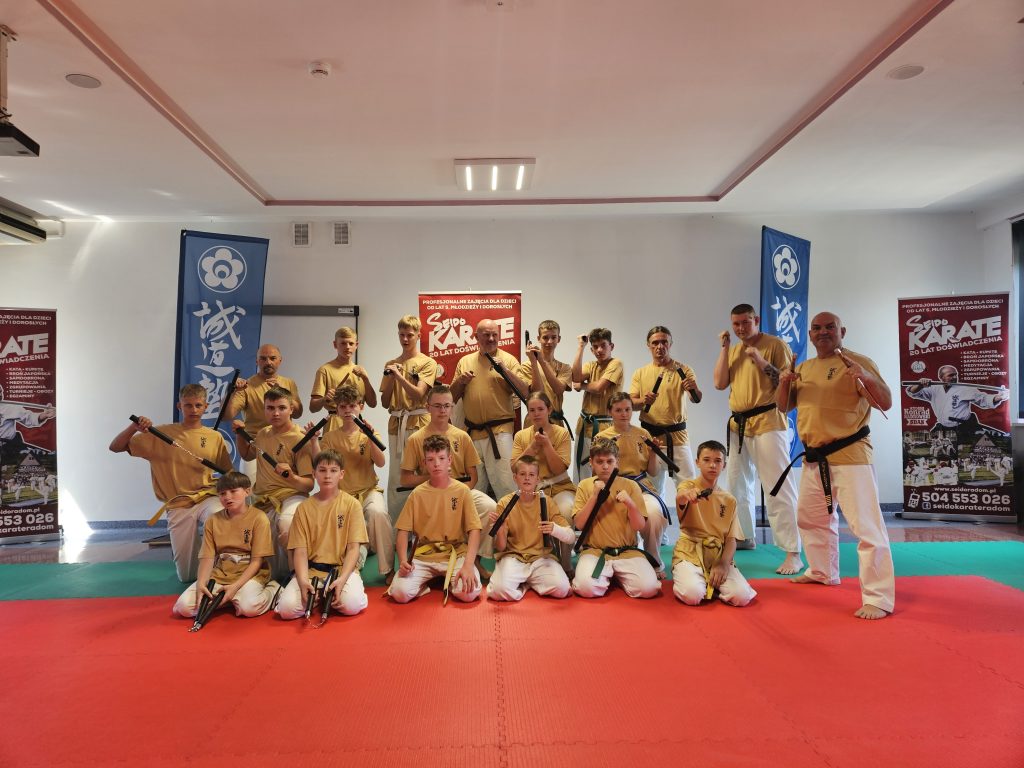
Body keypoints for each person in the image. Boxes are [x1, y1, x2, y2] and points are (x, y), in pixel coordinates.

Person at [776, 311, 895, 620]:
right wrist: (784, 382)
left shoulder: (857, 362)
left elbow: (885, 402)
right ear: (810, 335)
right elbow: (783, 405)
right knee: (810, 519)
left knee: (866, 527)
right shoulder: (804, 367)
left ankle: (879, 598)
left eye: (830, 327)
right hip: (815, 457)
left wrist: (866, 378)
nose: (823, 332)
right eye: (817, 328)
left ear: (842, 331)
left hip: (850, 454)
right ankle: (822, 571)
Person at [711, 305, 803, 575]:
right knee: (737, 484)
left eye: (746, 322)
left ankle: (793, 551)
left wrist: (761, 361)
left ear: (757, 320)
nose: (741, 328)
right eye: (736, 324)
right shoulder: (734, 350)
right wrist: (725, 348)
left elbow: (786, 382)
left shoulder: (775, 345)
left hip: (769, 420)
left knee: (777, 486)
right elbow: (719, 383)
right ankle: (744, 536)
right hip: (739, 424)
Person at [109, 383, 231, 582]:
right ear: (179, 406)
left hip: (207, 497)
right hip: (178, 503)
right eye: (188, 405)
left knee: (220, 517)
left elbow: (228, 473)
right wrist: (134, 428)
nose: (193, 410)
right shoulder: (159, 434)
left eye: (198, 405)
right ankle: (198, 566)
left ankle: (221, 569)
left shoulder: (214, 437)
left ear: (206, 407)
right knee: (187, 575)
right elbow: (115, 447)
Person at [400, 384, 497, 566]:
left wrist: (458, 492)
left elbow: (473, 476)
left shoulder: (462, 436)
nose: (442, 410)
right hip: (430, 492)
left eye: (447, 406)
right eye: (437, 406)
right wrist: (435, 477)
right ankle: (429, 559)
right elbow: (405, 479)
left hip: (460, 490)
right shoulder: (415, 439)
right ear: (428, 407)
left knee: (490, 507)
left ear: (452, 407)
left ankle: (474, 560)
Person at [172, 471, 280, 619]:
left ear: (247, 491)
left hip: (250, 574)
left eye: (233, 491)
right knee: (184, 607)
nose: (227, 497)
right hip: (221, 574)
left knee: (248, 608)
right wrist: (201, 584)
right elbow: (207, 558)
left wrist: (235, 586)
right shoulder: (212, 520)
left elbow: (257, 561)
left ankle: (273, 590)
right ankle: (230, 599)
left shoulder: (259, 518)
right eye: (222, 493)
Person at [234, 387, 316, 579]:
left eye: (281, 408)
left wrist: (291, 477)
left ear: (291, 409)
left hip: (292, 496)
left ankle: (299, 576)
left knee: (287, 523)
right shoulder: (263, 434)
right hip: (264, 500)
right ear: (264, 409)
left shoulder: (299, 438)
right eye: (270, 408)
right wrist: (239, 434)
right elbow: (246, 455)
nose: (276, 413)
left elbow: (309, 485)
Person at [389, 435, 483, 603]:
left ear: (450, 460)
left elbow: (474, 530)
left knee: (469, 593)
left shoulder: (462, 491)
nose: (436, 464)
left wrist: (469, 565)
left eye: (441, 458)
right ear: (424, 463)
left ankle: (450, 581)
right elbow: (403, 531)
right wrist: (403, 561)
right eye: (431, 460)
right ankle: (425, 585)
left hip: (455, 552)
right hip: (424, 555)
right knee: (399, 593)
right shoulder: (417, 494)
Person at [275, 450, 369, 619]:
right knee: (286, 610)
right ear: (314, 474)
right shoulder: (303, 508)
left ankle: (334, 591)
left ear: (341, 474)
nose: (327, 475)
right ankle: (318, 595)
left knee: (351, 605)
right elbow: (300, 551)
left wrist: (342, 579)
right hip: (311, 570)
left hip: (340, 569)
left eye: (333, 470)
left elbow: (353, 548)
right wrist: (303, 582)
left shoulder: (352, 505)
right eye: (322, 470)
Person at [314, 385, 394, 580]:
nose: (348, 410)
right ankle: (341, 563)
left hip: (368, 491)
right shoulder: (331, 437)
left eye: (352, 406)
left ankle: (388, 570)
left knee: (378, 512)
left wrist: (370, 438)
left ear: (361, 406)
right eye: (343, 407)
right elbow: (319, 464)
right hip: (341, 495)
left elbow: (381, 462)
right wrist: (313, 441)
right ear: (337, 410)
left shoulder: (369, 433)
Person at [571, 438, 661, 599]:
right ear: (591, 462)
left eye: (609, 461)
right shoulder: (584, 485)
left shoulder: (631, 486)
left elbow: (639, 526)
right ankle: (609, 575)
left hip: (627, 551)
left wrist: (630, 504)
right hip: (595, 551)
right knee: (586, 588)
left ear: (617, 462)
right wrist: (594, 497)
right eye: (599, 461)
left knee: (648, 589)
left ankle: (615, 575)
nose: (605, 466)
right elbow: (579, 524)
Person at [451, 318, 530, 500]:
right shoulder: (465, 361)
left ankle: (511, 518)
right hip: (472, 434)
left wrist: (504, 370)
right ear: (476, 336)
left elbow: (525, 392)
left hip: (500, 432)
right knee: (475, 489)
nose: (491, 339)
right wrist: (460, 381)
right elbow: (451, 398)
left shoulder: (508, 360)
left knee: (506, 485)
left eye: (495, 335)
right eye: (486, 335)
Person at [671, 441, 756, 607]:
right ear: (697, 462)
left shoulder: (729, 500)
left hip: (718, 554)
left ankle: (710, 581)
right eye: (706, 460)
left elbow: (731, 539)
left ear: (724, 465)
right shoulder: (688, 486)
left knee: (742, 596)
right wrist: (687, 495)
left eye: (718, 461)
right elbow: (680, 496)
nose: (712, 465)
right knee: (692, 594)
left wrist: (723, 564)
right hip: (690, 551)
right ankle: (695, 578)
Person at [596, 392, 668, 576]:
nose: (624, 414)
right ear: (610, 412)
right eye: (618, 410)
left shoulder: (642, 434)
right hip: (614, 486)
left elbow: (653, 472)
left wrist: (654, 453)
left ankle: (654, 560)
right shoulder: (601, 437)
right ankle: (614, 560)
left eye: (627, 409)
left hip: (640, 486)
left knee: (654, 514)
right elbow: (597, 471)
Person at [630, 326, 701, 504]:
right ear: (648, 345)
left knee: (689, 489)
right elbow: (632, 404)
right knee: (651, 491)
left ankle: (690, 523)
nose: (660, 346)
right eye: (655, 343)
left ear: (670, 344)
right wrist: (644, 400)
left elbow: (696, 398)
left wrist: (693, 388)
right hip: (649, 439)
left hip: (677, 437)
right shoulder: (640, 373)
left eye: (664, 342)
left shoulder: (683, 370)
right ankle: (657, 523)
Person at [487, 455, 572, 601]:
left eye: (531, 475)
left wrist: (554, 529)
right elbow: (500, 547)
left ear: (538, 479)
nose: (527, 478)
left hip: (541, 558)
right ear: (515, 478)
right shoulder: (504, 503)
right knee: (498, 591)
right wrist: (501, 531)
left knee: (562, 589)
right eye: (522, 474)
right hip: (514, 558)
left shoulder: (547, 502)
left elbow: (570, 536)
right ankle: (527, 585)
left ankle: (527, 581)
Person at [380, 315, 438, 521]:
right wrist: (390, 379)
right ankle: (397, 529)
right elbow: (384, 402)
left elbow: (419, 394)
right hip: (397, 424)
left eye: (410, 335)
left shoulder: (427, 363)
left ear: (418, 336)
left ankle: (426, 526)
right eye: (402, 335)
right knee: (397, 476)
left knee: (422, 471)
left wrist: (399, 376)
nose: (405, 339)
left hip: (419, 422)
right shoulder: (391, 364)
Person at [510, 392, 576, 571]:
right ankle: (537, 556)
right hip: (532, 489)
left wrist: (546, 445)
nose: (536, 413)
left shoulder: (561, 433)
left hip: (560, 486)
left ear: (549, 410)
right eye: (532, 410)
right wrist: (533, 446)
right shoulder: (521, 436)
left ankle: (566, 561)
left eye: (540, 409)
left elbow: (559, 469)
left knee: (566, 510)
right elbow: (514, 468)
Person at [224, 344, 302, 480]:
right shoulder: (247, 386)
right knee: (251, 489)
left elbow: (298, 413)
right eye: (263, 358)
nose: (268, 362)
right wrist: (231, 392)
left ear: (280, 360)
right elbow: (226, 416)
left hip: (284, 446)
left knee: (287, 487)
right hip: (254, 447)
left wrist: (283, 392)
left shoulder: (288, 383)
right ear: (257, 361)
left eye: (272, 358)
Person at [571, 328, 623, 482]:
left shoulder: (616, 364)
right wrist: (581, 347)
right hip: (584, 424)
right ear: (592, 350)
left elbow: (599, 387)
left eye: (603, 345)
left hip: (605, 426)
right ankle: (581, 495)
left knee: (602, 469)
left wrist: (582, 386)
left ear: (611, 346)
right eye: (595, 347)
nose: (599, 350)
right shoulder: (591, 365)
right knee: (581, 470)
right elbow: (575, 376)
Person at [905, 365, 1009, 439]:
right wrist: (920, 385)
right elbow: (913, 392)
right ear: (941, 377)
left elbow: (984, 399)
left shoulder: (965, 389)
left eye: (956, 375)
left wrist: (999, 397)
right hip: (943, 427)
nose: (954, 377)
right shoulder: (934, 389)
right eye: (951, 375)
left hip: (963, 427)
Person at [310, 326, 377, 434]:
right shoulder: (325, 370)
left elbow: (372, 404)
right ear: (335, 344)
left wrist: (366, 379)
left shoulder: (360, 371)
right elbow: (313, 407)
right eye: (343, 343)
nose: (347, 347)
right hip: (334, 422)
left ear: (356, 345)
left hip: (357, 423)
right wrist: (324, 399)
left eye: (351, 343)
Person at [522, 320, 573, 435]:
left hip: (556, 422)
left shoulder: (564, 367)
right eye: (545, 338)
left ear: (559, 339)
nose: (549, 342)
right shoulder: (527, 365)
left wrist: (541, 360)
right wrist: (534, 362)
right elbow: (536, 392)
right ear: (538, 338)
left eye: (553, 337)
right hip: (533, 422)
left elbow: (559, 390)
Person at [0, 383, 56, 467]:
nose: (0, 395)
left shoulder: (9, 407)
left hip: (10, 446)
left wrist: (44, 415)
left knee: (39, 461)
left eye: (0, 391)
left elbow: (29, 417)